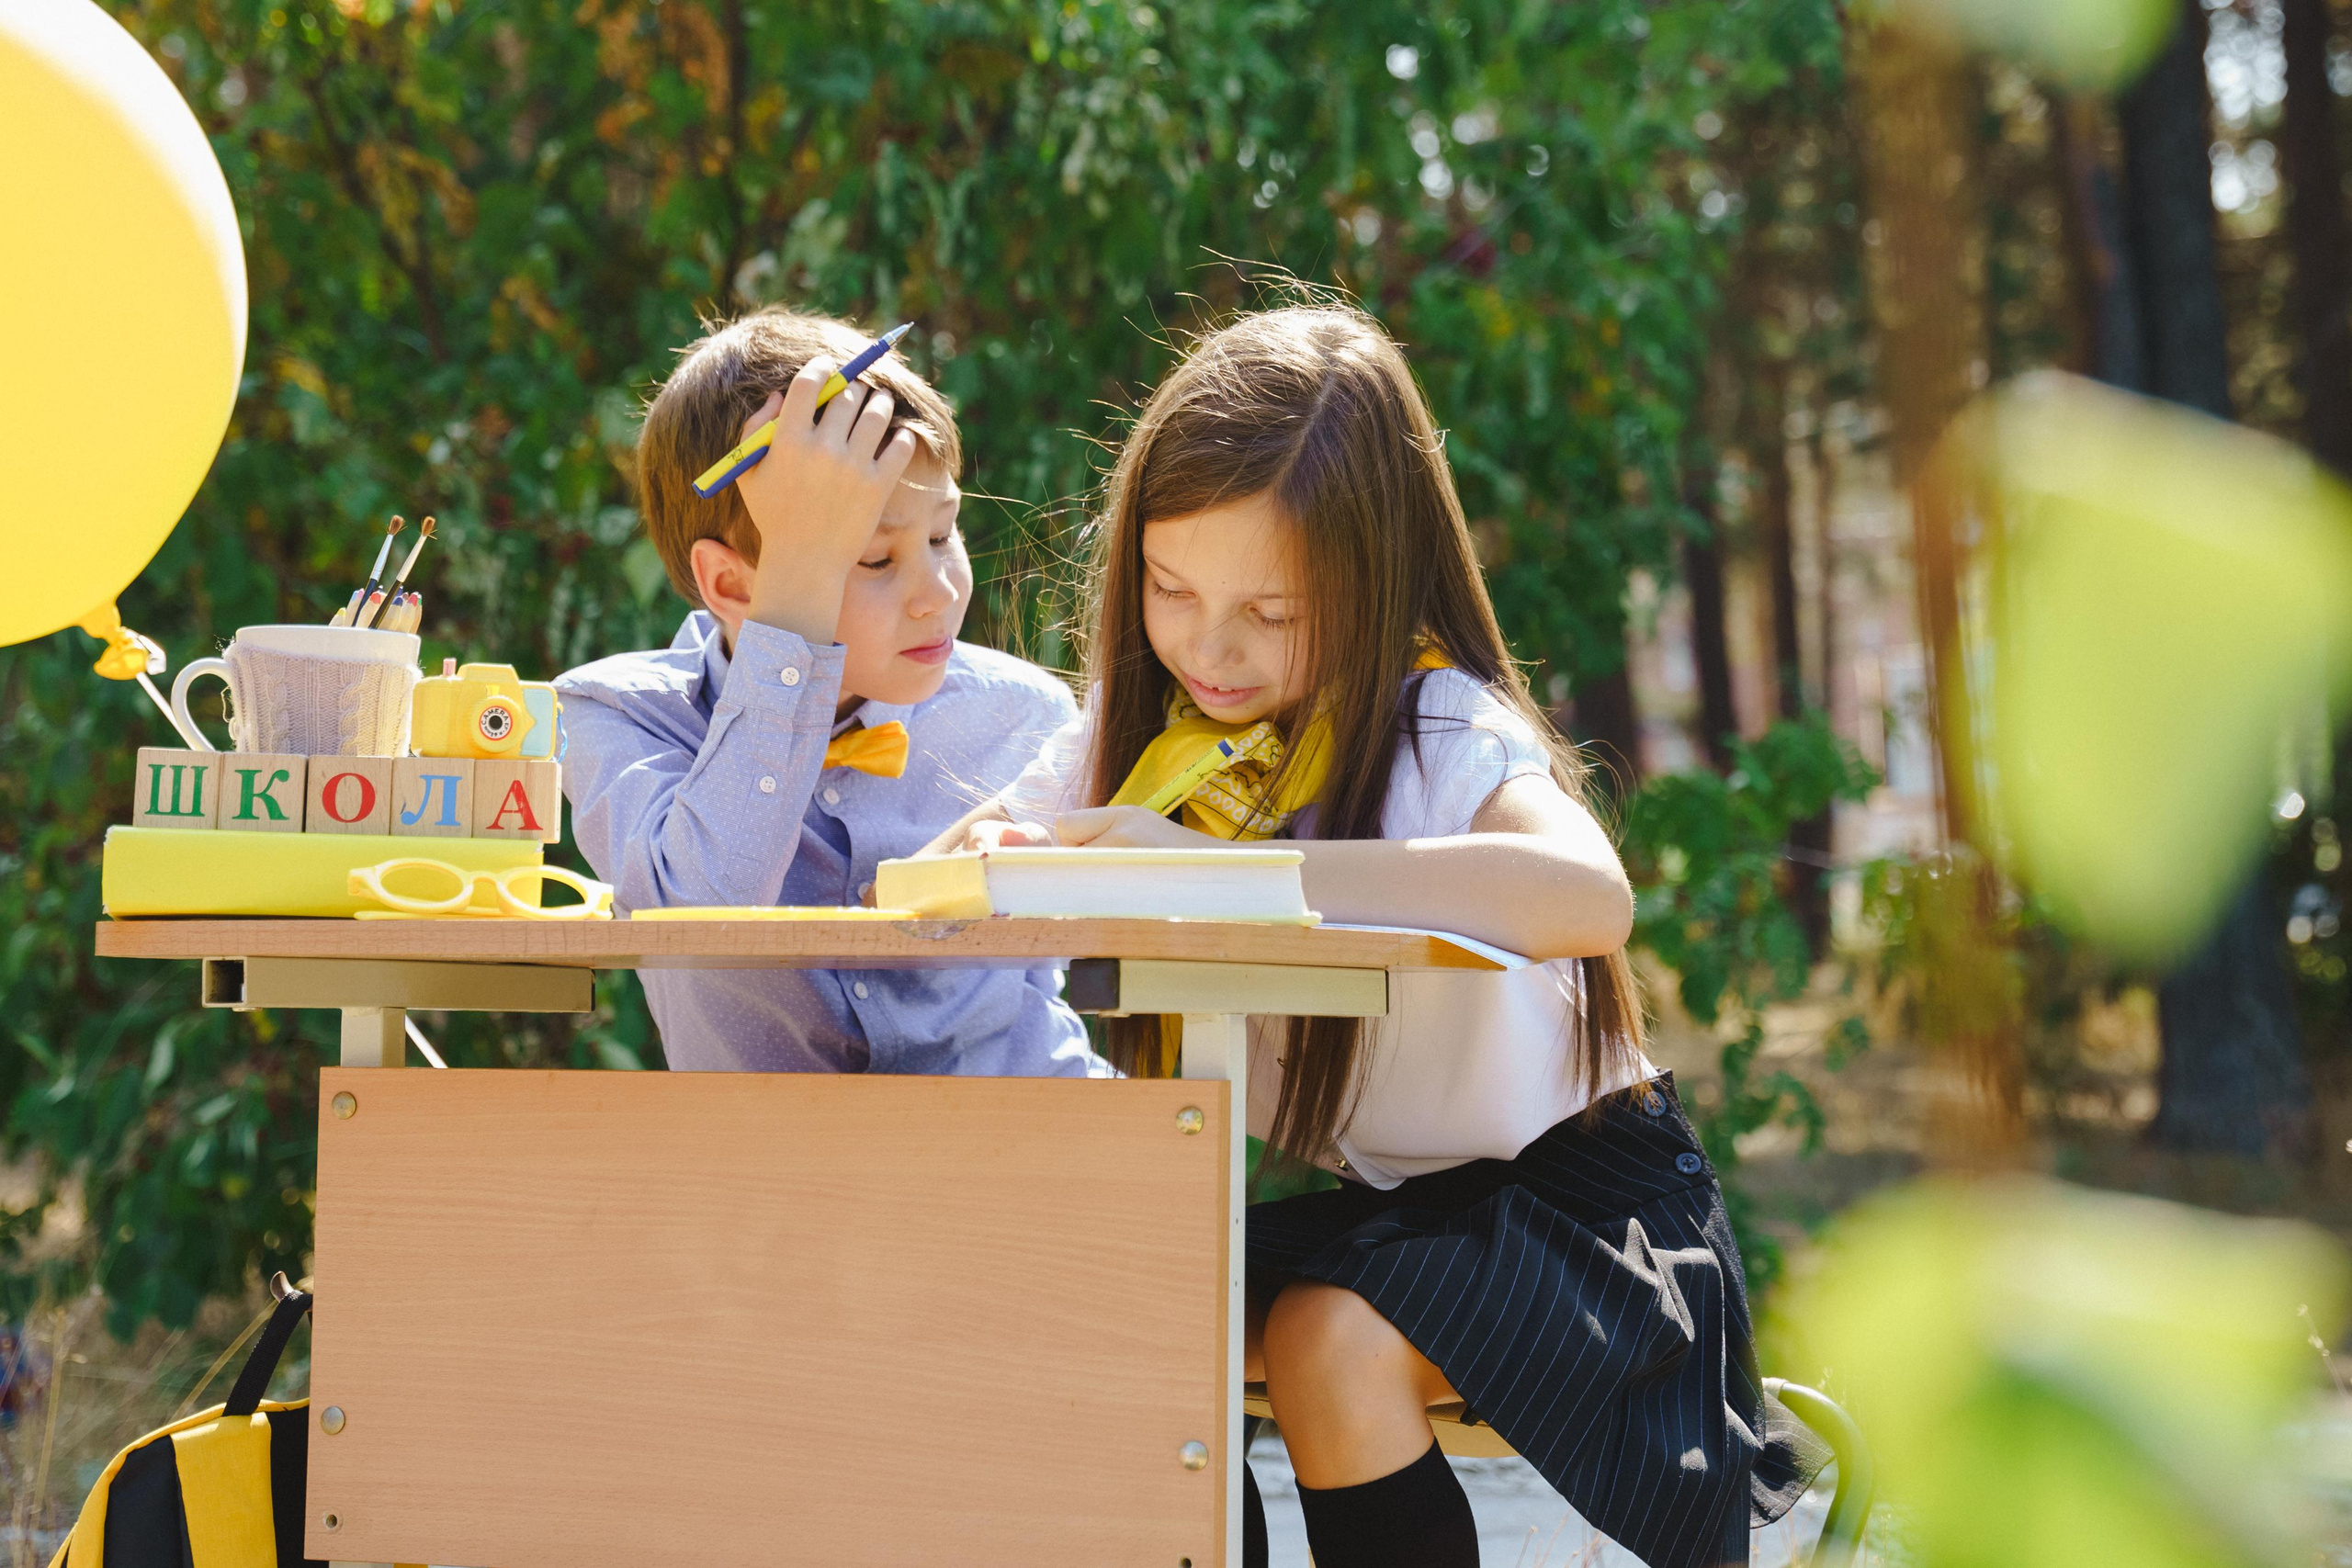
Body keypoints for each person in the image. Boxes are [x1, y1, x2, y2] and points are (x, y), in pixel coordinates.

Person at [941, 304, 1818, 1566]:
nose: (1213, 646)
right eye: (1172, 590)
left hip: (1593, 1218)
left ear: (1372, 587)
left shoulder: (1439, 725)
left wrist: (1233, 870)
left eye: (1274, 611)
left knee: (1323, 1334)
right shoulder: (1153, 735)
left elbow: (1587, 895)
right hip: (1410, 1217)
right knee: (1117, 1313)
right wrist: (1005, 856)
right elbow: (960, 860)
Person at [558, 307, 1102, 1078]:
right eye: (872, 559)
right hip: (775, 1180)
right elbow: (701, 914)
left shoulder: (1023, 714)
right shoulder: (618, 714)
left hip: (1029, 1151)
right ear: (730, 583)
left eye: (945, 534)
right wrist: (799, 588)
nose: (937, 592)